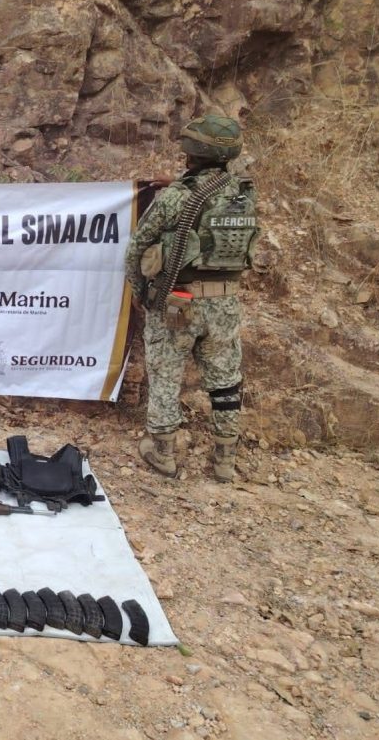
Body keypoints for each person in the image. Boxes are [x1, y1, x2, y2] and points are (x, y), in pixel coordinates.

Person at [124, 115, 258, 482]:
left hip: (177, 302)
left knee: (166, 375)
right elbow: (214, 200)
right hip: (225, 305)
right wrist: (179, 184)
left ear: (191, 152)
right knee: (226, 381)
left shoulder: (176, 198)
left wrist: (138, 291)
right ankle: (225, 459)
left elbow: (136, 248)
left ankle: (163, 453)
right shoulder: (246, 193)